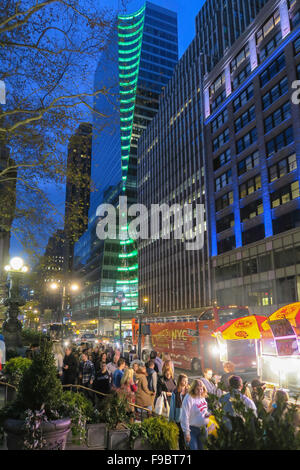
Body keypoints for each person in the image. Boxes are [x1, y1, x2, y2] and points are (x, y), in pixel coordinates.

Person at [180, 379, 209, 450]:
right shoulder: (189, 398)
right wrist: (187, 433)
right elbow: (184, 416)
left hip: (203, 429)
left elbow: (203, 410)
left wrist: (207, 414)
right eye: (197, 389)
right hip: (192, 430)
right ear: (193, 389)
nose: (200, 391)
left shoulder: (202, 397)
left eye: (201, 389)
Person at [169, 374, 189, 450]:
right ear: (180, 381)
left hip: (187, 418)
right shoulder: (175, 392)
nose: (186, 382)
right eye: (184, 380)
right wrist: (171, 419)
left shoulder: (189, 392)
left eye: (187, 381)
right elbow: (172, 406)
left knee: (187, 437)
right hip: (178, 418)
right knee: (180, 438)